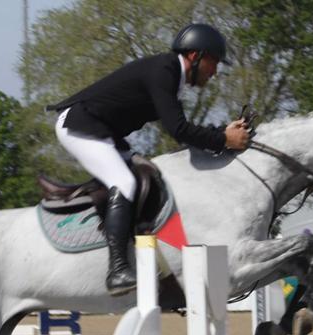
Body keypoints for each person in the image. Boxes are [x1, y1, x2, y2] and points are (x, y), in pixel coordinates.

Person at [49, 23, 250, 295]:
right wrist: (224, 139)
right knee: (124, 182)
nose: (214, 72)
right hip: (79, 126)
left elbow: (182, 127)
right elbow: (179, 130)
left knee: (148, 174)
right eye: (213, 63)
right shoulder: (164, 71)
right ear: (195, 56)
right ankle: (117, 271)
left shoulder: (171, 75)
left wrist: (222, 133)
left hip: (103, 132)